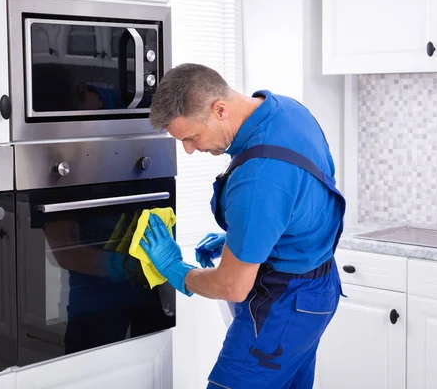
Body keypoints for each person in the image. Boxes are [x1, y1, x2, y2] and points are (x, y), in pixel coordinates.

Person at [139, 63, 346, 388]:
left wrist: (175, 269)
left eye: (191, 137)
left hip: (282, 306)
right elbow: (303, 197)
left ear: (219, 109)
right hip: (317, 293)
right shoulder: (286, 110)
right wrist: (242, 240)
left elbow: (232, 286)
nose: (189, 150)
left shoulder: (258, 178)